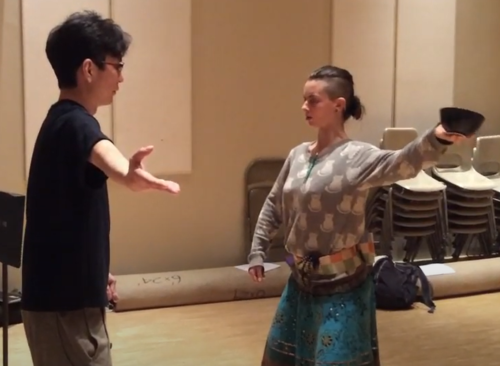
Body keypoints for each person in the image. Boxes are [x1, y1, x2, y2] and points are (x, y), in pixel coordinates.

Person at [247, 65, 468, 366]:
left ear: (338, 106)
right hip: (300, 283)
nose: (304, 107)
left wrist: (438, 137)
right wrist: (257, 250)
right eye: (304, 99)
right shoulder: (297, 155)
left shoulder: (358, 156)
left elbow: (404, 162)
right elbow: (274, 203)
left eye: (313, 100)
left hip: (344, 286)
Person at [20, 11, 180, 366]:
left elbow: (61, 218)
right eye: (117, 65)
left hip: (63, 305)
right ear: (89, 69)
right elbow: (111, 159)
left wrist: (95, 269)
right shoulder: (76, 125)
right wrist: (130, 173)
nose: (122, 76)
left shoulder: (61, 121)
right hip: (65, 311)